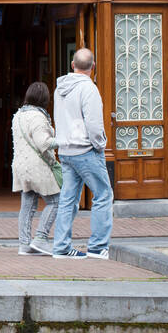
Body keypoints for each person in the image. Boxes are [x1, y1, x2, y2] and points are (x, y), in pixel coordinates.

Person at [51, 48, 113, 259]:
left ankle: (61, 246)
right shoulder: (89, 89)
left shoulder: (59, 89)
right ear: (93, 67)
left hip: (66, 150)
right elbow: (94, 124)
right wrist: (100, 144)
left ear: (72, 65)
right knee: (103, 195)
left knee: (68, 199)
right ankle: (97, 246)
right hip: (86, 150)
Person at [11, 81, 60, 256]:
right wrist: (65, 140)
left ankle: (24, 244)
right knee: (56, 202)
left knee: (27, 206)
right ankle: (41, 238)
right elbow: (43, 143)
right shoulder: (38, 117)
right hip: (38, 167)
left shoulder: (18, 115)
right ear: (45, 99)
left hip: (21, 167)